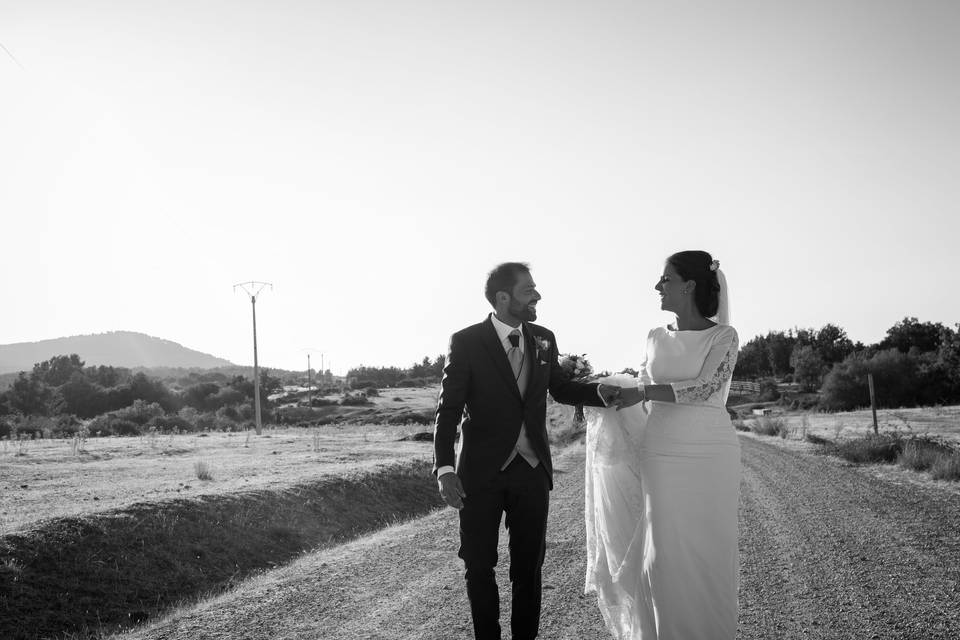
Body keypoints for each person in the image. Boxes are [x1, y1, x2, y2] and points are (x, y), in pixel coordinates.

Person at [434, 261, 620, 640]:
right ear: (503, 298)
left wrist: (602, 392)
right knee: (479, 565)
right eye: (528, 290)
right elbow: (448, 409)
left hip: (532, 470)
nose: (537, 296)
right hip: (480, 473)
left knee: (529, 568)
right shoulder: (467, 341)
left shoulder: (545, 338)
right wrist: (444, 468)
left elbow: (561, 388)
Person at [585, 250, 741, 639]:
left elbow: (707, 387)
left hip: (710, 452)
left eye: (665, 279)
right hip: (662, 452)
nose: (658, 286)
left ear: (688, 285)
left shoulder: (724, 336)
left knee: (709, 552)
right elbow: (640, 385)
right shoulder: (654, 336)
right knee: (662, 556)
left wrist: (643, 390)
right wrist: (614, 394)